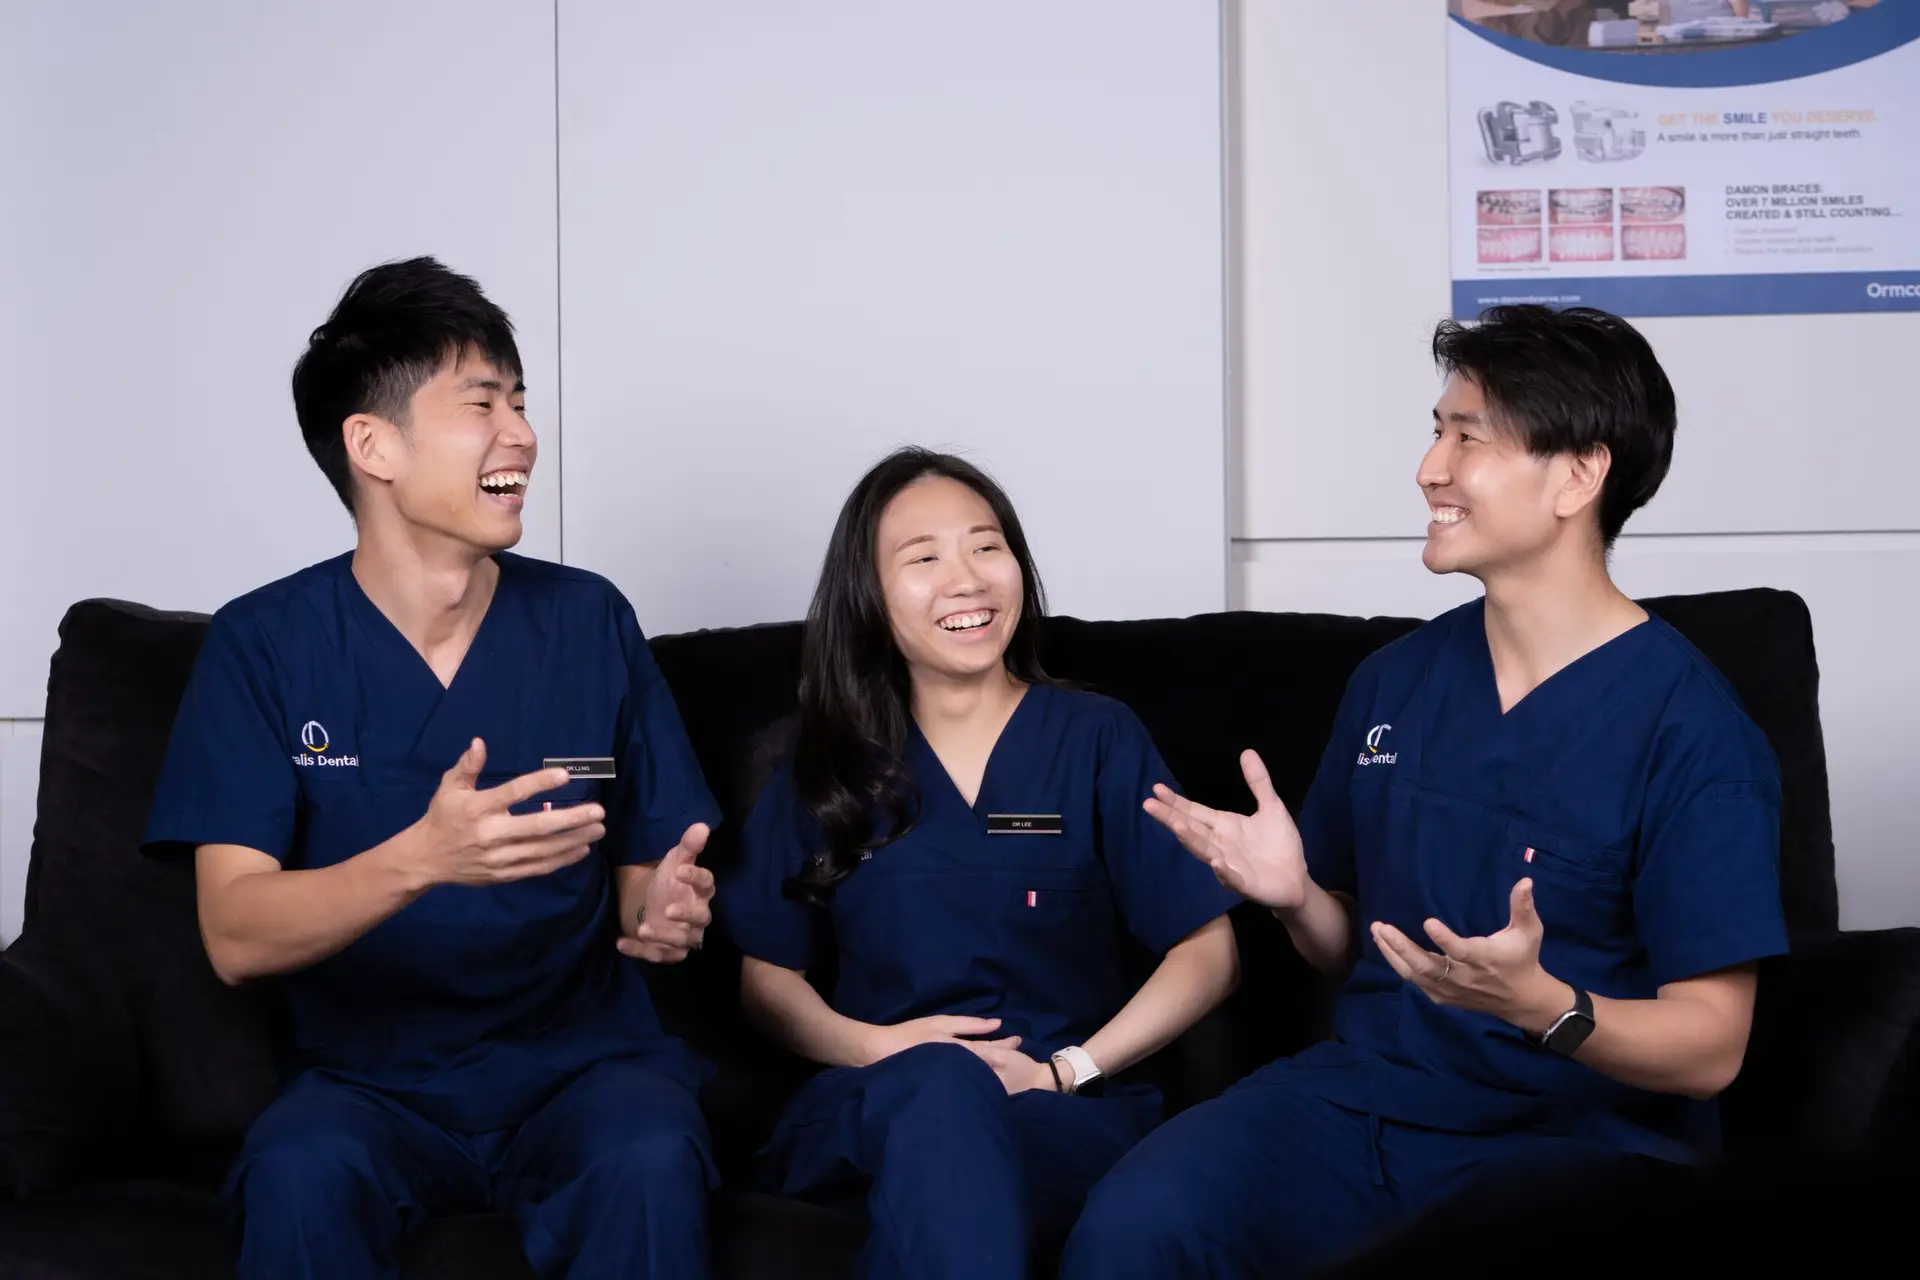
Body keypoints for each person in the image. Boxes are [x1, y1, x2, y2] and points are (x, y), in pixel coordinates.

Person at [1060, 305, 1791, 1277]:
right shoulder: (1394, 681)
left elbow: (1711, 1047)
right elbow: (1353, 950)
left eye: (1467, 436)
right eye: (1436, 429)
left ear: (1578, 473)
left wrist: (1544, 1005)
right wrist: (1297, 898)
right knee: (1133, 1228)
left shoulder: (1690, 730)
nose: (1429, 468)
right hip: (1365, 1098)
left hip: (1574, 1137)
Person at [141, 257, 721, 1279]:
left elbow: (643, 877)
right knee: (295, 1173)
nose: (523, 435)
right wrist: (422, 857)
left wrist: (663, 906)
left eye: (523, 401)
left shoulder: (589, 620)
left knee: (654, 1153)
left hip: (582, 1073)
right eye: (482, 403)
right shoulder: (264, 644)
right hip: (370, 1085)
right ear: (374, 445)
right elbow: (234, 932)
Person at [715, 448, 1242, 1279]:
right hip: (869, 1101)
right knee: (942, 1099)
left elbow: (1208, 951)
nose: (966, 578)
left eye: (986, 546)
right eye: (923, 558)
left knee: (953, 1185)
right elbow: (767, 982)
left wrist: (1067, 1071)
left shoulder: (1096, 740)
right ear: (871, 597)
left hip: (1058, 1114)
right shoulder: (823, 763)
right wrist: (890, 1053)